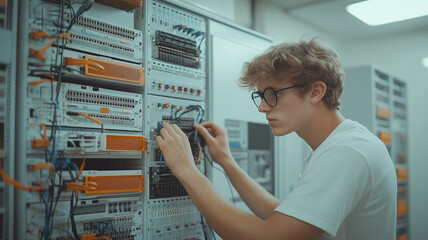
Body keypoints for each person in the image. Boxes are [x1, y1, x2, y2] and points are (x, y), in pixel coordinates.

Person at [156, 38, 397, 240]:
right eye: (260, 95)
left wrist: (188, 171)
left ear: (316, 91)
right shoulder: (336, 146)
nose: (262, 107)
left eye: (272, 94)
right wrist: (227, 161)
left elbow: (270, 236)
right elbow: (282, 215)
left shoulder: (348, 151)